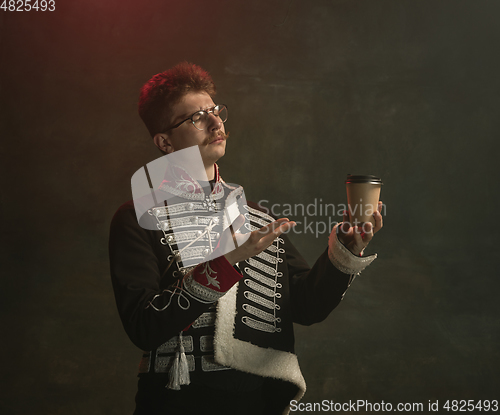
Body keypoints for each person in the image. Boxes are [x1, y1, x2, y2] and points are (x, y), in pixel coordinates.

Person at [109, 62, 383, 415]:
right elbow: (144, 327)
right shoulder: (135, 217)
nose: (215, 123)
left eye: (215, 111)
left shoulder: (256, 217)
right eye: (195, 118)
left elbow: (307, 305)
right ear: (164, 141)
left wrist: (346, 250)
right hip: (179, 400)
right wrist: (227, 260)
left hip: (260, 401)